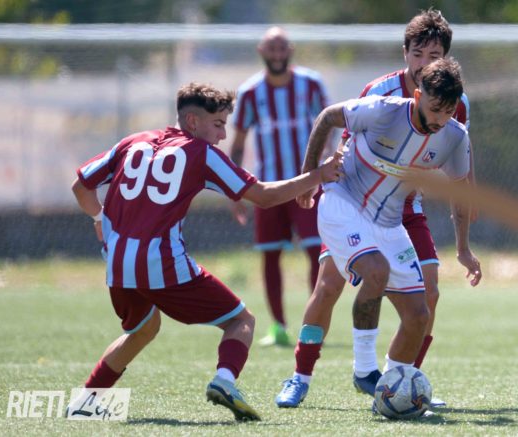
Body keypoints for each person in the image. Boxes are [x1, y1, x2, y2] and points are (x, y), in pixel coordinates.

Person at [66, 82, 342, 421]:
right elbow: (264, 196)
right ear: (193, 122)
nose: (223, 135)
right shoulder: (200, 152)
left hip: (117, 262)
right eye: (218, 124)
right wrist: (318, 175)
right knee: (241, 320)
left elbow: (81, 186)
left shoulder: (132, 141)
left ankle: (86, 401)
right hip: (160, 261)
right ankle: (224, 380)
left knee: (142, 330)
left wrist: (99, 219)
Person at [276, 9, 481, 409]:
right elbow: (345, 135)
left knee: (429, 295)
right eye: (418, 54)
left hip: (405, 206)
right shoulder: (381, 92)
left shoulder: (454, 103)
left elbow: (460, 152)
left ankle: (401, 383)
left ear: (445, 58)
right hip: (353, 199)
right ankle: (300, 376)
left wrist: (467, 207)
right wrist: (314, 176)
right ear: (405, 52)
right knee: (329, 287)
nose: (424, 63)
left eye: (434, 55)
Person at [229, 26, 330, 346]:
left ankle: (313, 324)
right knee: (270, 254)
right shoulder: (250, 92)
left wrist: (330, 170)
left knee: (317, 252)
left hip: (307, 185)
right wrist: (234, 189)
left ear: (290, 50)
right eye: (271, 48)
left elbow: (329, 129)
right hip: (269, 188)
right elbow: (238, 142)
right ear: (262, 51)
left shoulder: (311, 84)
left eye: (281, 48)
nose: (276, 54)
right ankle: (279, 326)